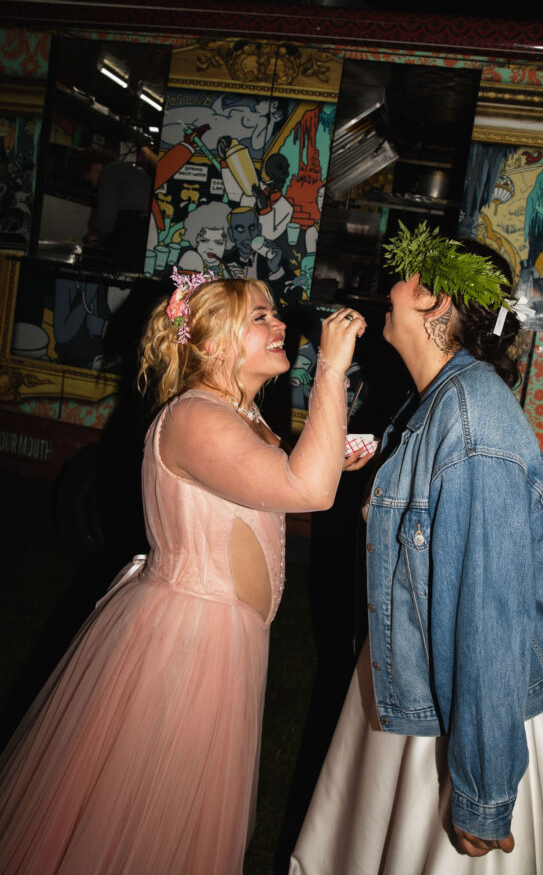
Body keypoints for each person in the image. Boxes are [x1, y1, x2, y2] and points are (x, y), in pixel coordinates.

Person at [290, 223, 543, 874]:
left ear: (436, 304)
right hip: (428, 677)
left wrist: (481, 793)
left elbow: (487, 620)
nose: (388, 289)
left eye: (404, 278)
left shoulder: (474, 427)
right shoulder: (441, 399)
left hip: (479, 706)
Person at [0, 270, 366, 874]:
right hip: (188, 642)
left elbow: (278, 483)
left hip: (227, 638)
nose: (280, 326)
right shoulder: (198, 418)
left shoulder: (240, 415)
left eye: (273, 314)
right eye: (260, 317)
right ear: (216, 345)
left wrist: (328, 458)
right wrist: (329, 371)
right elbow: (306, 490)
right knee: (145, 815)